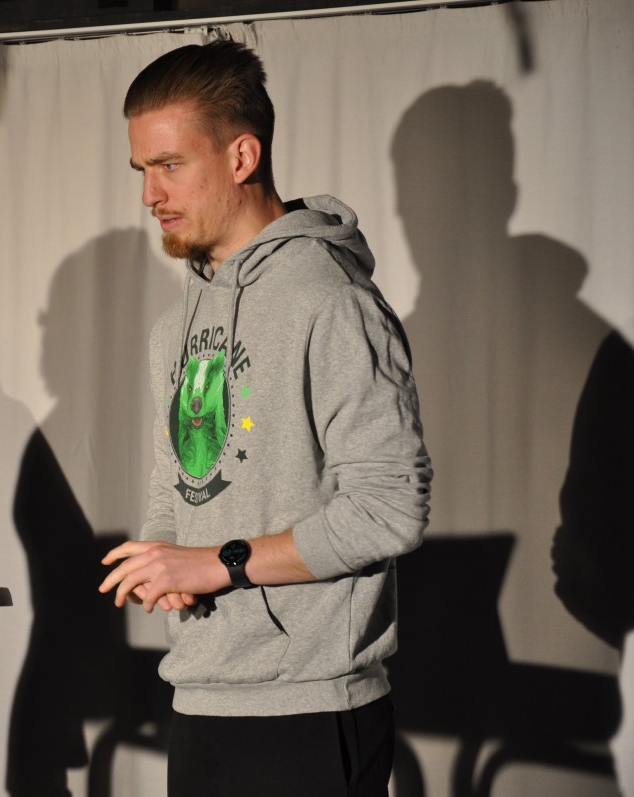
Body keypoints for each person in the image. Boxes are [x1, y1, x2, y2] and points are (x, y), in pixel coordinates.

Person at [98, 40, 431, 795]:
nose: (150, 194)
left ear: (242, 156)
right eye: (141, 170)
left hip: (311, 707)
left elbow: (391, 509)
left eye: (169, 165)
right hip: (201, 695)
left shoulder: (331, 301)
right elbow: (175, 485)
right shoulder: (174, 327)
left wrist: (217, 563)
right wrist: (164, 562)